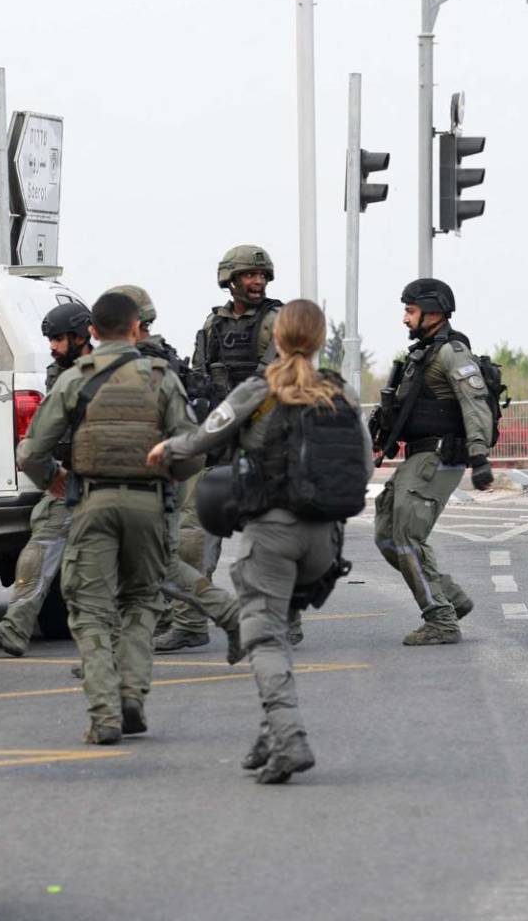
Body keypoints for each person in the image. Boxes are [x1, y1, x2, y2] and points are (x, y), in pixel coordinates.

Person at [148, 299, 365, 783]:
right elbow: (364, 464)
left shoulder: (258, 389)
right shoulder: (341, 393)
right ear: (319, 340)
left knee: (263, 637)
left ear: (278, 338)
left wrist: (167, 448)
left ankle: (289, 738)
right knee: (280, 630)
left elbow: (204, 437)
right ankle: (269, 736)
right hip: (326, 541)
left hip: (272, 534)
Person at [17, 292, 204, 744]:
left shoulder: (73, 380)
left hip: (91, 505)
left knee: (90, 610)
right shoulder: (161, 377)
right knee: (141, 602)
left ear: (92, 333)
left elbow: (31, 452)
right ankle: (132, 695)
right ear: (136, 328)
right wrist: (167, 479)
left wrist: (55, 479)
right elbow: (192, 451)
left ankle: (105, 714)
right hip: (149, 506)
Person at [105, 284, 245, 661]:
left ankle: (190, 624)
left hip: (173, 466)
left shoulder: (149, 362)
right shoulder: (147, 358)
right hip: (164, 467)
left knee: (180, 543)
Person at [164, 246, 288, 652]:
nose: (257, 282)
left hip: (263, 442)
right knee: (194, 535)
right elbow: (201, 374)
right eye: (249, 275)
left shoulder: (278, 321)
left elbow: (275, 378)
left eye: (262, 276)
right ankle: (190, 623)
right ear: (230, 280)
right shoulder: (212, 324)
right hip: (220, 440)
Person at [369, 278, 492, 646]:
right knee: (386, 535)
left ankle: (440, 619)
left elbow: (475, 404)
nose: (405, 318)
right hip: (417, 456)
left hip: (438, 456)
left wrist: (480, 456)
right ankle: (451, 599)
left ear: (433, 312)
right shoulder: (421, 355)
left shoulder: (453, 352)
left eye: (410, 311)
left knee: (406, 537)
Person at [0, 300, 95, 658]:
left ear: (81, 336)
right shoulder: (59, 375)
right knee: (41, 544)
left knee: (150, 563)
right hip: (73, 479)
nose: (52, 347)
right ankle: (15, 628)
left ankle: (209, 616)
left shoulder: (110, 369)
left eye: (58, 339)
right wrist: (53, 474)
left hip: (119, 483)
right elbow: (45, 433)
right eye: (50, 340)